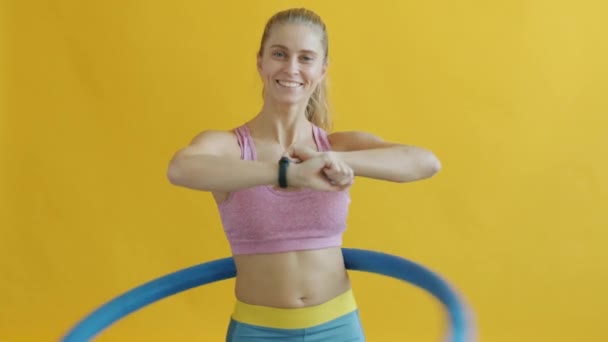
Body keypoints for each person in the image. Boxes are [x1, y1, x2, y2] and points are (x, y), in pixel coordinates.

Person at [167, 7, 441, 342]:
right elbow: (180, 168)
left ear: (322, 70)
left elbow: (425, 162)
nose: (291, 68)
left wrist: (332, 159)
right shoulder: (229, 147)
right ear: (261, 62)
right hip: (257, 331)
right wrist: (286, 175)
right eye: (279, 54)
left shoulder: (337, 146)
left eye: (306, 58)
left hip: (338, 326)